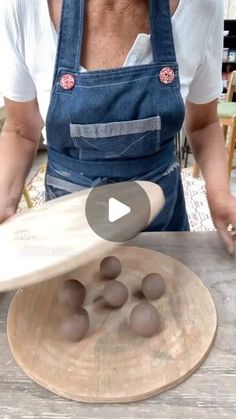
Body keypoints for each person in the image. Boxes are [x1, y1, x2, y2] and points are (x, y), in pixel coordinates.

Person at [0, 0, 235, 253]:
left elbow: (203, 124)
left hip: (161, 223)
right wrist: (4, 198)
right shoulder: (22, 8)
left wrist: (220, 194)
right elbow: (20, 130)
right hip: (68, 232)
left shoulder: (201, 7)